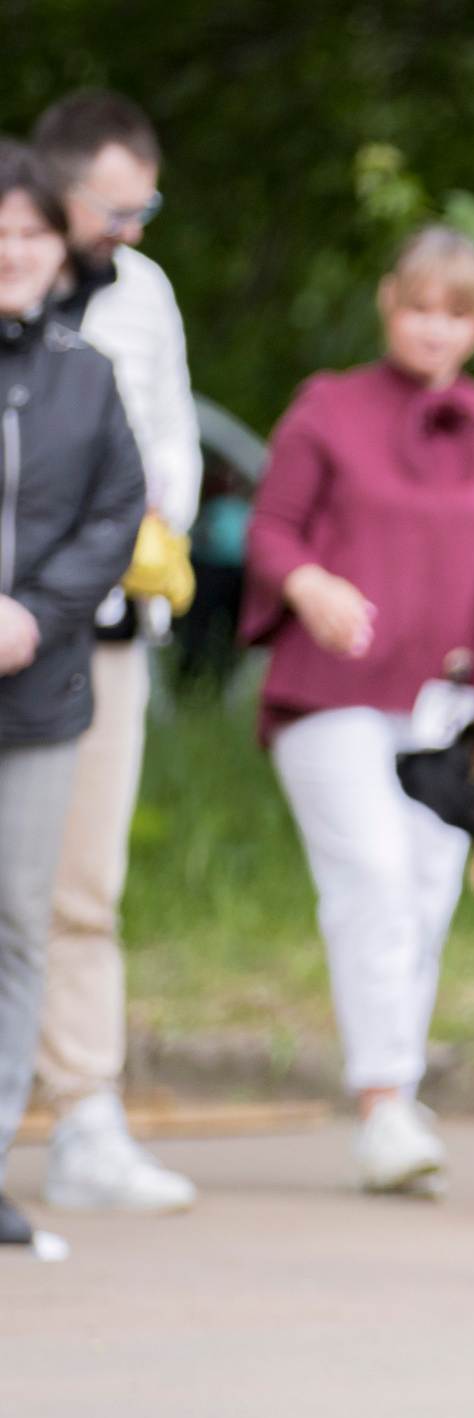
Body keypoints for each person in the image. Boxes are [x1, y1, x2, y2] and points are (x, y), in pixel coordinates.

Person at [242, 226, 474, 1198]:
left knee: (423, 895)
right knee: (374, 879)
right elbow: (270, 529)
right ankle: (384, 1101)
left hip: (452, 702)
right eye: (419, 306)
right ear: (389, 304)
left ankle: (396, 1099)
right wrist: (307, 587)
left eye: (456, 313)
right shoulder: (326, 408)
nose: (434, 327)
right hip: (333, 691)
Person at [28, 90, 201, 1214]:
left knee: (82, 884)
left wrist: (147, 547)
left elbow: (170, 446)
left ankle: (82, 1114)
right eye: (114, 207)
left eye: (148, 207)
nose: (132, 230)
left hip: (101, 634)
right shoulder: (16, 280)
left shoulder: (142, 293)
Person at [0, 140, 147, 1248]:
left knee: (21, 927)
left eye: (32, 234)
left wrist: (34, 614)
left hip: (39, 690)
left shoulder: (85, 375)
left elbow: (115, 511)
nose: (13, 252)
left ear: (61, 251)